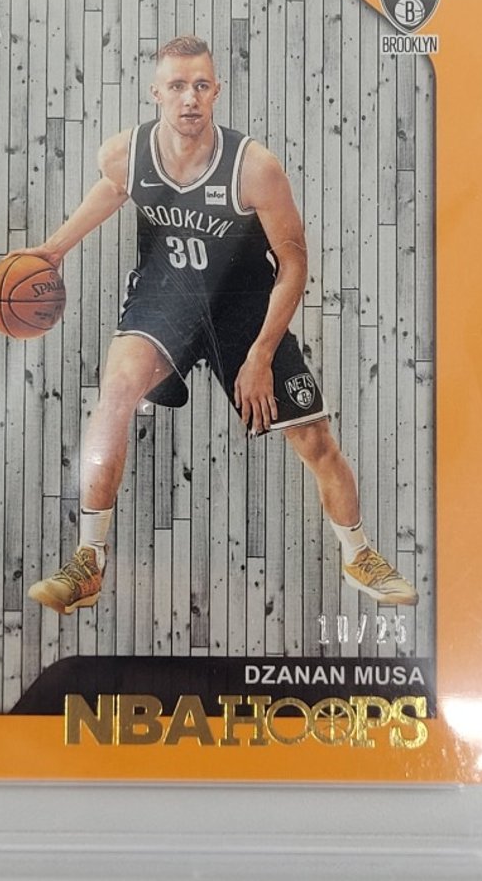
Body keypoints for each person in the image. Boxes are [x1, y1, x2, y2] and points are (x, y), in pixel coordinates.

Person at [25, 35, 417, 615]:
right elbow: (114, 189)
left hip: (243, 305)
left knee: (314, 439)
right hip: (165, 297)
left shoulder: (254, 168)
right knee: (115, 394)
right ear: (156, 93)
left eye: (201, 85)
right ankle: (89, 560)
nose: (190, 98)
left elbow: (294, 265)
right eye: (178, 86)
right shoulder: (125, 154)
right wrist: (54, 249)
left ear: (217, 92)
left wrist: (260, 356)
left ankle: (359, 555)